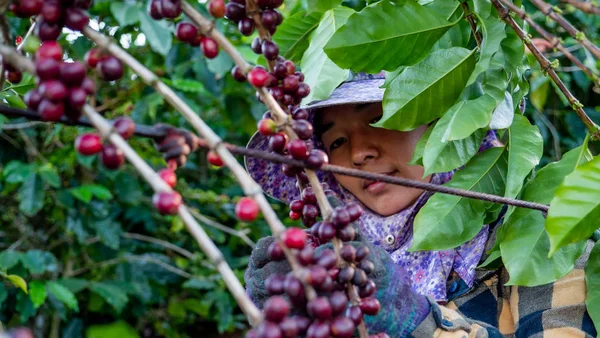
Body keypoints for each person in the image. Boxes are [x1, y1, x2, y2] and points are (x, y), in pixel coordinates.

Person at [156, 73, 596, 337]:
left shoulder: (541, 246)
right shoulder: (334, 267)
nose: (358, 154)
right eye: (337, 141)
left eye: (381, 120)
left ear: (448, 130)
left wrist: (413, 319)